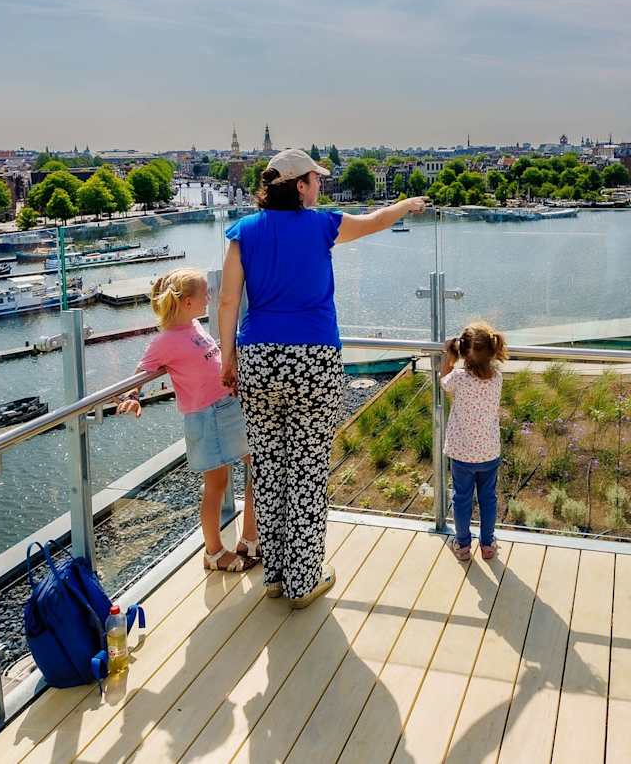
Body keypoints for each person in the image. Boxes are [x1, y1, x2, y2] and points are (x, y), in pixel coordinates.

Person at [219, 149, 428, 607]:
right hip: (311, 359)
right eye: (316, 179)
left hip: (257, 357)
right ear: (299, 185)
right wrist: (407, 205)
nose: (321, 186)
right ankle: (303, 580)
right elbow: (374, 221)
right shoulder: (321, 225)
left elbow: (229, 303)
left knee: (270, 471)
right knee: (308, 472)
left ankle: (274, 574)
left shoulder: (242, 232)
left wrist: (227, 359)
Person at [117, 270, 259, 572]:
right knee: (216, 484)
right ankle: (214, 552)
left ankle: (250, 537)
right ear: (185, 302)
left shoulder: (194, 324)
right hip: (206, 418)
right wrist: (131, 396)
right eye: (204, 294)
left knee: (259, 465)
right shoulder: (165, 341)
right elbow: (141, 373)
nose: (209, 298)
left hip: (227, 408)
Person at [441, 321, 508, 562]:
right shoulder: (497, 378)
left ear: (463, 353)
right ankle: (488, 544)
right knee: (488, 499)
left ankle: (462, 545)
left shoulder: (458, 377)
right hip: (489, 452)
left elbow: (443, 381)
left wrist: (449, 358)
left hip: (461, 454)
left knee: (461, 499)